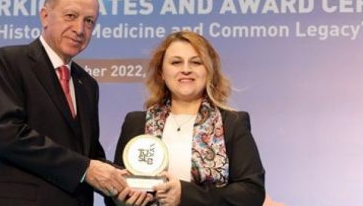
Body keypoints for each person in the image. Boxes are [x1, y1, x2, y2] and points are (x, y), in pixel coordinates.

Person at [0, 0, 131, 206]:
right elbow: (8, 135)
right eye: (71, 16)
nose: (79, 29)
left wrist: (131, 182)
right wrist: (85, 169)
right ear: (45, 16)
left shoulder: (87, 84)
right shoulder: (8, 61)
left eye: (89, 21)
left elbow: (89, 155)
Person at [107, 31, 265, 206]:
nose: (186, 69)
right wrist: (120, 199)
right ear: (161, 72)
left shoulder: (232, 123)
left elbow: (252, 192)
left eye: (196, 62)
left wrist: (185, 195)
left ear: (209, 71)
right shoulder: (136, 123)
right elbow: (114, 188)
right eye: (176, 62)